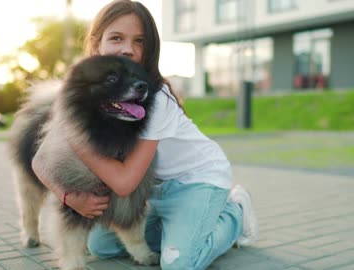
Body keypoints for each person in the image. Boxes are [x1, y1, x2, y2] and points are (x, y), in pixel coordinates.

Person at [31, 0, 258, 269]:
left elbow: (124, 184)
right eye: (117, 38)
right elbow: (39, 161)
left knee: (179, 264)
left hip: (196, 180)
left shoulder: (154, 98)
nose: (128, 49)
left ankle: (235, 213)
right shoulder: (86, 92)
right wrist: (70, 198)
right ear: (96, 43)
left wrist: (74, 136)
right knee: (101, 247)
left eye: (139, 41)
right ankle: (180, 226)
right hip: (153, 189)